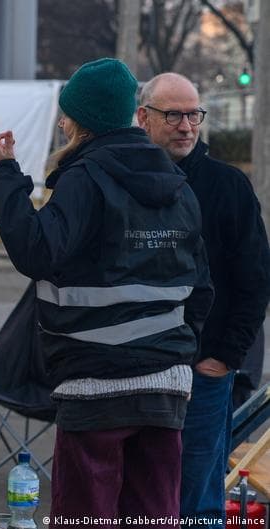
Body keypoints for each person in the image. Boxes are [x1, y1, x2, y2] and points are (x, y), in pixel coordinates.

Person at [0, 58, 213, 525]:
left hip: (95, 388)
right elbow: (201, 288)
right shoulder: (178, 186)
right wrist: (175, 352)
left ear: (83, 120)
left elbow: (37, 251)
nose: (61, 122)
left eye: (67, 114)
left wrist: (6, 174)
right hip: (166, 389)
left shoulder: (86, 178)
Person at [138, 72, 270, 528]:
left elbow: (255, 280)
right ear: (143, 118)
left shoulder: (228, 186)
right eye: (173, 114)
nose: (186, 125)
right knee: (143, 498)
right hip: (137, 369)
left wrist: (223, 357)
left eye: (194, 114)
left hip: (204, 370)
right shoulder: (127, 182)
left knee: (196, 500)